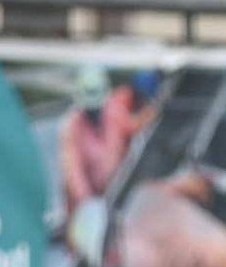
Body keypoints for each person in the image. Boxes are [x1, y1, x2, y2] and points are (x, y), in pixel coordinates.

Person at [58, 65, 158, 217]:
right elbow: (74, 172)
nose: (95, 112)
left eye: (97, 108)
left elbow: (133, 125)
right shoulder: (72, 127)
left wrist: (154, 111)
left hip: (113, 195)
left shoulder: (114, 111)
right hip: (85, 206)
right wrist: (88, 205)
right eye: (90, 109)